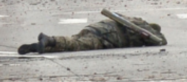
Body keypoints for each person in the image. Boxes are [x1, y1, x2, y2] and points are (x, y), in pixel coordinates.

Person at [18, 13, 166, 54]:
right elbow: (161, 41)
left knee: (73, 43)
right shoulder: (144, 29)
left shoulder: (133, 20)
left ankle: (39, 47)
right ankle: (49, 40)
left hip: (96, 28)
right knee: (76, 44)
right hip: (106, 37)